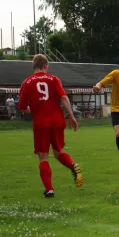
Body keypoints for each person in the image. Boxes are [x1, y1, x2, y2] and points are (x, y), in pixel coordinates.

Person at [17, 54, 83, 198]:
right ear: (46, 65)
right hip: (58, 121)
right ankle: (72, 166)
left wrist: (34, 109)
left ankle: (49, 190)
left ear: (33, 66)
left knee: (43, 157)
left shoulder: (27, 83)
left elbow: (22, 108)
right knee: (58, 152)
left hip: (41, 123)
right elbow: (64, 97)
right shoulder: (54, 79)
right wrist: (71, 116)